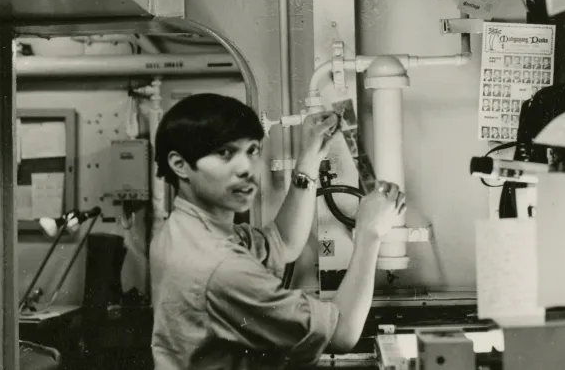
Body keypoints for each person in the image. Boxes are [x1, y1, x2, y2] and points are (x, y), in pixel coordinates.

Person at [150, 94, 406, 370]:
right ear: (179, 164)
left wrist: (308, 161)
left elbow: (283, 242)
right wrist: (370, 234)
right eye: (225, 153)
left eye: (252, 150)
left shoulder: (184, 229)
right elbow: (342, 333)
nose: (246, 169)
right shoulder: (222, 267)